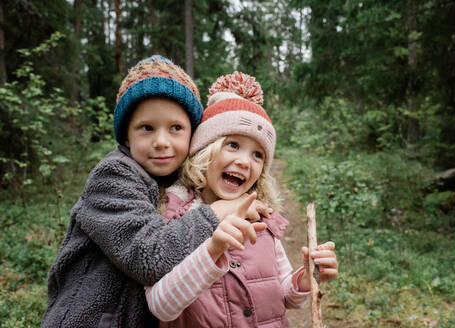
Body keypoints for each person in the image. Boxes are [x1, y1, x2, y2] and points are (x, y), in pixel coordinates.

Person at [41, 56, 270, 328]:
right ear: (127, 135)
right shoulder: (114, 176)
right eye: (147, 128)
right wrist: (217, 212)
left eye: (176, 128)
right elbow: (149, 257)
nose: (162, 142)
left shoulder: (180, 183)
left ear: (193, 136)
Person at [146, 72, 338, 327]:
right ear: (204, 151)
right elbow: (161, 308)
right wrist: (211, 250)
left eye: (258, 155)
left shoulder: (263, 222)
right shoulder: (174, 217)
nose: (245, 161)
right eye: (233, 145)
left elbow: (282, 295)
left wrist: (306, 279)